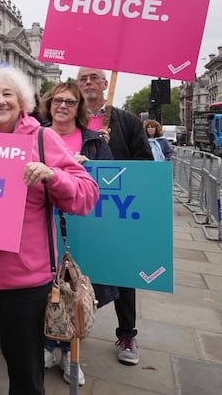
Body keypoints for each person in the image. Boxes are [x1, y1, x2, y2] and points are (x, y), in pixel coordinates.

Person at [0, 66, 98, 395]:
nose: (0, 101)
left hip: (24, 286)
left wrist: (53, 176)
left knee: (26, 374)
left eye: (8, 94)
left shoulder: (44, 139)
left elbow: (86, 196)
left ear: (22, 102)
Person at [39, 81, 114, 386]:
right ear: (49, 104)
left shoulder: (93, 141)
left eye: (70, 102)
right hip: (44, 228)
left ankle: (72, 353)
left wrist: (85, 166)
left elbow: (107, 179)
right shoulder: (37, 135)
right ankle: (47, 344)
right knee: (47, 291)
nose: (62, 106)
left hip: (81, 228)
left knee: (74, 293)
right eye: (58, 100)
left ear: (79, 108)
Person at [77, 67, 152, 366]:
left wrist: (109, 155)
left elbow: (145, 164)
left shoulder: (128, 121)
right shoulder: (71, 118)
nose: (88, 83)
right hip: (79, 211)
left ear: (106, 84)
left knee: (123, 275)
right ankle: (70, 332)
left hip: (116, 212)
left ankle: (127, 333)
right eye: (82, 79)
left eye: (94, 77)